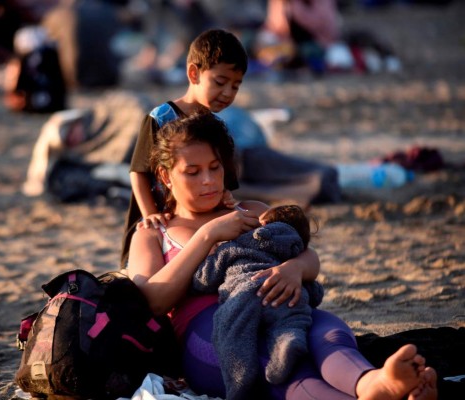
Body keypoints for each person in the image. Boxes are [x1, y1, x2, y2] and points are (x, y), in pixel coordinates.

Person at [126, 111, 438, 400]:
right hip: (210, 337)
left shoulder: (250, 211)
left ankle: (371, 383)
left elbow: (307, 256)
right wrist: (208, 235)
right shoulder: (153, 232)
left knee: (325, 328)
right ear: (165, 176)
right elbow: (153, 300)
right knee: (276, 358)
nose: (208, 180)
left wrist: (293, 269)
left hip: (277, 308)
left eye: (215, 167)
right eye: (192, 172)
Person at [120, 27, 340, 268]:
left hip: (199, 219)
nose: (227, 93)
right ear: (194, 74)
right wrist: (151, 214)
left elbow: (226, 180)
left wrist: (224, 195)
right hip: (162, 219)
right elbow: (138, 171)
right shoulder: (161, 117)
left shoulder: (217, 125)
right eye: (220, 82)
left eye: (235, 86)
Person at [192, 204, 324, 397]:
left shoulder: (236, 245)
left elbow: (203, 279)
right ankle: (289, 341)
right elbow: (315, 291)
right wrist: (311, 292)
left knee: (232, 333)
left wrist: (214, 251)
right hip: (285, 292)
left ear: (263, 224)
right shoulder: (294, 250)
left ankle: (240, 383)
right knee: (292, 322)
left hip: (244, 292)